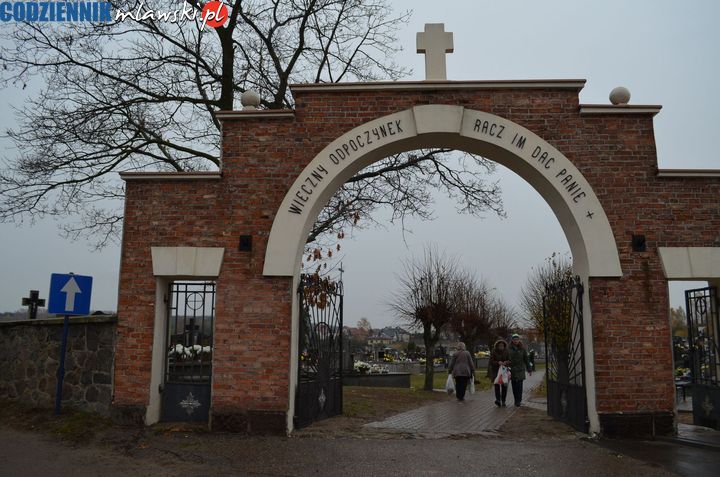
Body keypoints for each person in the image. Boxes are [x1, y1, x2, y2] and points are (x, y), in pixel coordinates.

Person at [508, 333, 532, 407]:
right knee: (514, 386)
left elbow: (526, 360)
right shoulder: (509, 348)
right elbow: (506, 357)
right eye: (514, 339)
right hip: (512, 370)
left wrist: (529, 369)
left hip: (520, 369)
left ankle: (519, 400)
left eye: (517, 339)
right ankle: (516, 400)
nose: (516, 341)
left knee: (520, 386)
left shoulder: (522, 349)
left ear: (519, 340)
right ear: (512, 340)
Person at [488, 338, 510, 406]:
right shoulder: (494, 351)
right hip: (496, 371)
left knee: (504, 386)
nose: (501, 347)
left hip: (504, 371)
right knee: (497, 386)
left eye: (502, 345)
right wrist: (498, 362)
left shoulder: (507, 351)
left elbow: (510, 360)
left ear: (504, 346)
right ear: (497, 346)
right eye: (500, 345)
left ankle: (503, 400)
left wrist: (506, 362)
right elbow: (491, 361)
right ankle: (498, 400)